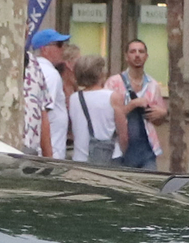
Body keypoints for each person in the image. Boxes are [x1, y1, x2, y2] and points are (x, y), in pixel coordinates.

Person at [105, 39, 168, 171]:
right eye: (133, 52)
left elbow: (157, 120)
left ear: (146, 56)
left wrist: (162, 114)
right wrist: (132, 105)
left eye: (141, 52)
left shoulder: (153, 85)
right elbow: (106, 116)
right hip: (120, 151)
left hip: (147, 151)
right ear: (126, 57)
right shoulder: (114, 82)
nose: (137, 55)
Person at [23, 29, 72, 158]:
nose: (63, 50)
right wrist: (48, 156)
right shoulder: (51, 73)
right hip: (50, 150)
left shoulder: (33, 68)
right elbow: (43, 114)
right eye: (59, 45)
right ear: (45, 49)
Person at [68, 55, 118, 163]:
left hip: (79, 158)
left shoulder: (74, 98)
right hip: (108, 157)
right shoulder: (112, 97)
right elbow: (123, 132)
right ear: (101, 73)